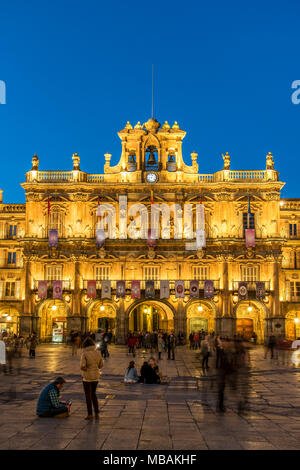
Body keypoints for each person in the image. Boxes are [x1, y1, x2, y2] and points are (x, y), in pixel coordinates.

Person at [80, 337, 104, 420]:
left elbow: (82, 366)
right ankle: (97, 413)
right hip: (96, 376)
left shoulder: (85, 353)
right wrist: (95, 368)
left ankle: (90, 414)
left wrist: (86, 370)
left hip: (87, 377)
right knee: (93, 394)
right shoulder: (98, 353)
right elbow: (101, 365)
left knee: (88, 395)